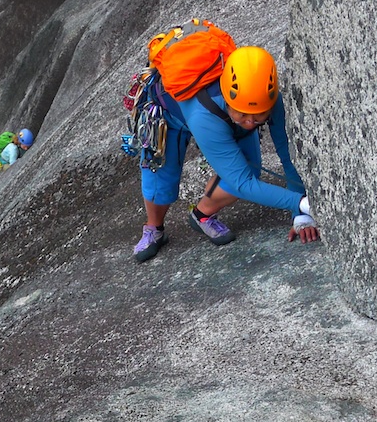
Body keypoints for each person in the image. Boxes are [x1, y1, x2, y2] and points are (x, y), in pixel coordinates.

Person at [133, 45, 320, 262]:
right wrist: (304, 203)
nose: (251, 123)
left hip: (224, 116)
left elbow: (288, 154)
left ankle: (201, 215)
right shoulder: (205, 116)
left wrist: (301, 216)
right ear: (229, 100)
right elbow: (243, 183)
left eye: (259, 117)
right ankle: (154, 228)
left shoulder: (266, 97)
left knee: (249, 169)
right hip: (167, 116)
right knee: (161, 180)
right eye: (244, 115)